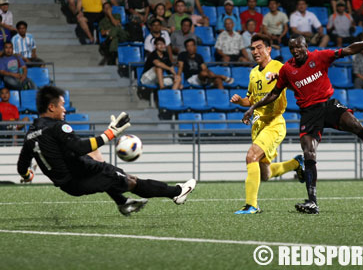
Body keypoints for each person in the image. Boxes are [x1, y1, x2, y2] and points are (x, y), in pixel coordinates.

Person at [242, 32, 363, 214]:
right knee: (309, 153)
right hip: (309, 114)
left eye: (299, 46)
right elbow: (274, 93)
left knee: (357, 126)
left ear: (306, 46)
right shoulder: (286, 70)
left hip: (328, 106)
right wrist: (253, 107)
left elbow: (350, 49)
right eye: (292, 48)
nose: (296, 50)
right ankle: (312, 202)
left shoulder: (320, 57)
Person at [17, 86, 196, 216]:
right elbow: (79, 147)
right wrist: (110, 134)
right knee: (129, 181)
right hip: (80, 177)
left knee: (104, 166)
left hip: (70, 181)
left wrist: (28, 175)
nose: (64, 109)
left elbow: (21, 166)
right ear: (51, 107)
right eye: (62, 105)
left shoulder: (31, 133)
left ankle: (122, 202)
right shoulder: (57, 127)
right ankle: (177, 192)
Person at [229, 34, 304, 214]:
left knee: (250, 156)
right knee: (266, 174)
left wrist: (278, 76)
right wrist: (241, 101)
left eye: (259, 47)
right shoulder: (254, 72)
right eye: (253, 48)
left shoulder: (278, 66)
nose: (255, 51)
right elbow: (252, 99)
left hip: (274, 123)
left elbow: (294, 81)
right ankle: (295, 163)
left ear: (269, 49)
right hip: (258, 125)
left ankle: (251, 205)